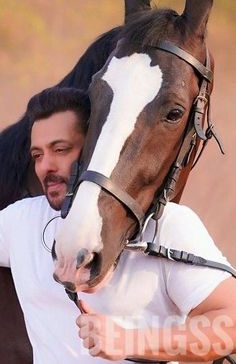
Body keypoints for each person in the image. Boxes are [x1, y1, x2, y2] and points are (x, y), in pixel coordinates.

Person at [0, 87, 235, 364]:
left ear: (97, 148)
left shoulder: (167, 225)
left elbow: (230, 325)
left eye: (60, 149)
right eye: (37, 155)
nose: (45, 166)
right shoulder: (21, 221)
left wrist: (130, 341)